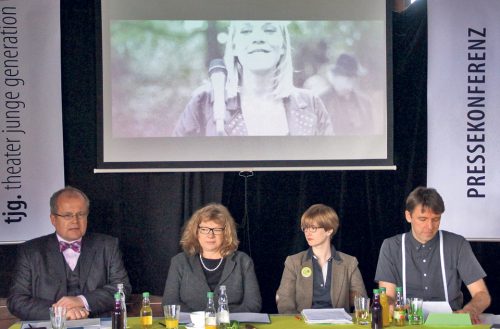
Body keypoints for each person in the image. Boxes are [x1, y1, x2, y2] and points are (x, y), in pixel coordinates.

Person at [172, 21, 333, 136]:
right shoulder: (204, 103)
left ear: (283, 45)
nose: (258, 38)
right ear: (234, 46)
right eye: (246, 31)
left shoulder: (312, 104)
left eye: (269, 30)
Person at [7, 186, 131, 321]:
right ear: (53, 219)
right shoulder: (31, 251)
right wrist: (60, 312)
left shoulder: (107, 245)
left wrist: (81, 300)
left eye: (81, 214)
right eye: (67, 215)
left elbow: (122, 289)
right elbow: (17, 301)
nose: (75, 221)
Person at [375, 187, 491, 324]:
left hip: (450, 322)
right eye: (422, 219)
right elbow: (388, 295)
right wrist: (388, 305)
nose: (430, 226)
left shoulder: (457, 244)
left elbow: (482, 295)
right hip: (405, 322)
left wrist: (470, 310)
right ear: (408, 216)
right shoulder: (391, 246)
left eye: (436, 219)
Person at [162, 203, 262, 312]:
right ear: (196, 233)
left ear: (226, 234)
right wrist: (202, 320)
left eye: (217, 229)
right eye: (204, 229)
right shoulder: (179, 262)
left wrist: (222, 319)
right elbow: (169, 303)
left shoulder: (243, 261)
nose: (210, 235)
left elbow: (253, 305)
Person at [276, 204, 367, 314]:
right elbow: (285, 302)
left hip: (339, 324)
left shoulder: (349, 262)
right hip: (303, 324)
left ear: (329, 230)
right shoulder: (293, 262)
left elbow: (362, 300)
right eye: (305, 228)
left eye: (313, 228)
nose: (307, 232)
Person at [319, 53, 375, 135]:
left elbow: (371, 134)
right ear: (335, 76)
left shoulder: (365, 102)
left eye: (353, 77)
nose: (351, 81)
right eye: (347, 76)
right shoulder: (321, 102)